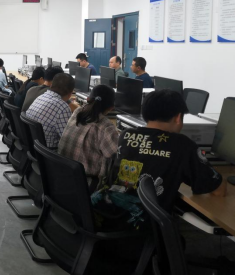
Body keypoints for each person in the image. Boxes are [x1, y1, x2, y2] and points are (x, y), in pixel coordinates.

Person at [93, 89, 225, 230]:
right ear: (178, 117)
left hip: (105, 215)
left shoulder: (126, 135)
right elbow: (218, 190)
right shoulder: (182, 145)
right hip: (141, 226)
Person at [58, 85, 119, 190]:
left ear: (88, 99)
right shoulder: (106, 127)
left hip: (62, 176)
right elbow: (116, 156)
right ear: (111, 107)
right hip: (86, 185)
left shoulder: (78, 112)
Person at [25, 73, 75, 150]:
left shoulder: (41, 97)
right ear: (70, 94)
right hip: (48, 151)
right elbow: (67, 140)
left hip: (33, 145)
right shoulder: (63, 107)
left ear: (51, 85)